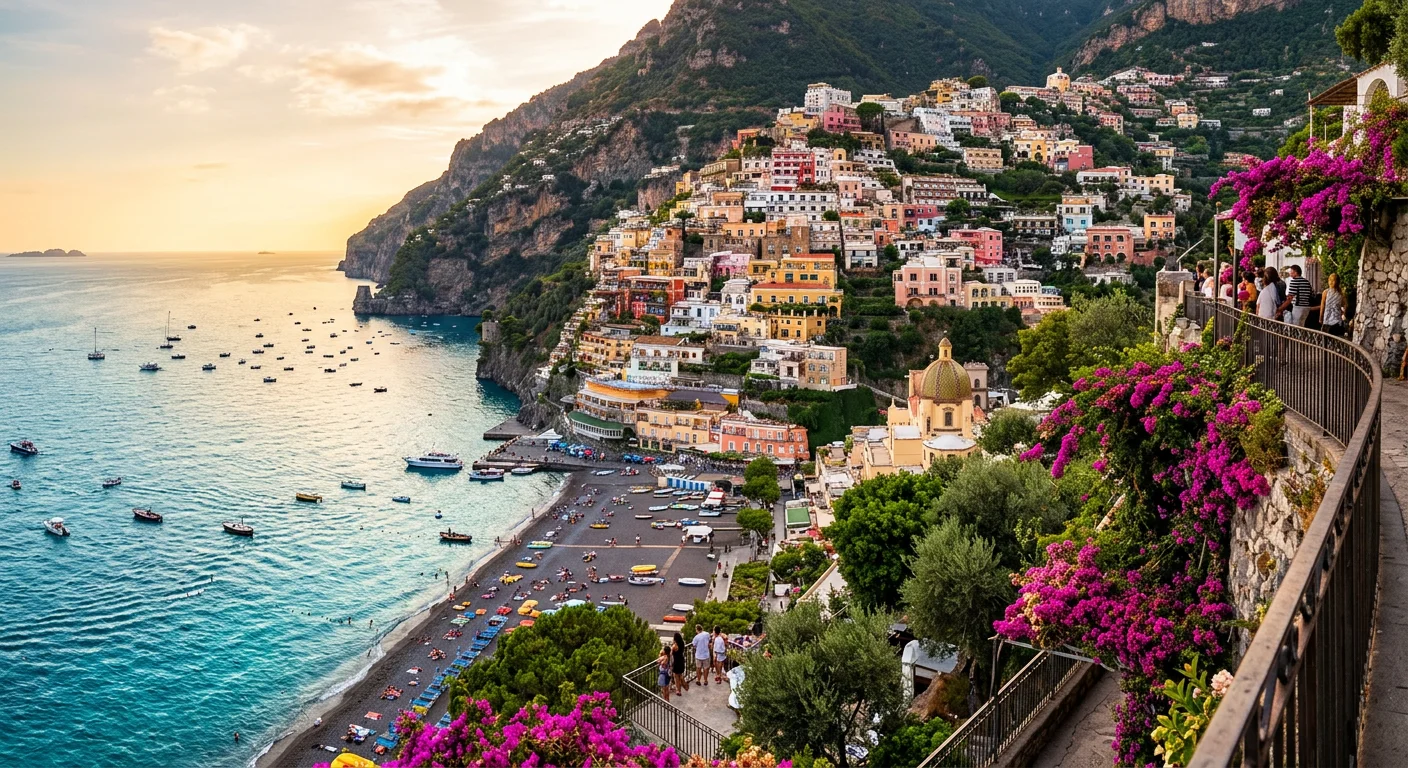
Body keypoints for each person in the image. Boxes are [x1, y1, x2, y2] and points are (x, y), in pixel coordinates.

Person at [1318, 273, 1346, 337]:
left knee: (1326, 337)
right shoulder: (1341, 293)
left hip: (1329, 319)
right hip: (1335, 319)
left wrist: (1320, 318)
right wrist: (1343, 313)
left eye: (1333, 280)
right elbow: (1344, 305)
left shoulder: (1326, 292)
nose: (1331, 282)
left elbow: (1323, 306)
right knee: (1335, 337)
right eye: (1330, 280)